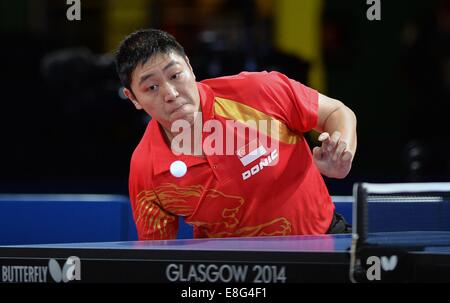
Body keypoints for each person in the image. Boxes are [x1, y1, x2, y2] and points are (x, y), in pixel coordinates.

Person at [115, 29, 357, 240]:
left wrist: (341, 151)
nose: (170, 93)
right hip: (234, 273)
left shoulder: (256, 91)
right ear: (133, 98)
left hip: (322, 245)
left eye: (175, 75)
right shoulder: (146, 169)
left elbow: (336, 111)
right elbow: (157, 258)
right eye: (151, 88)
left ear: (189, 66)